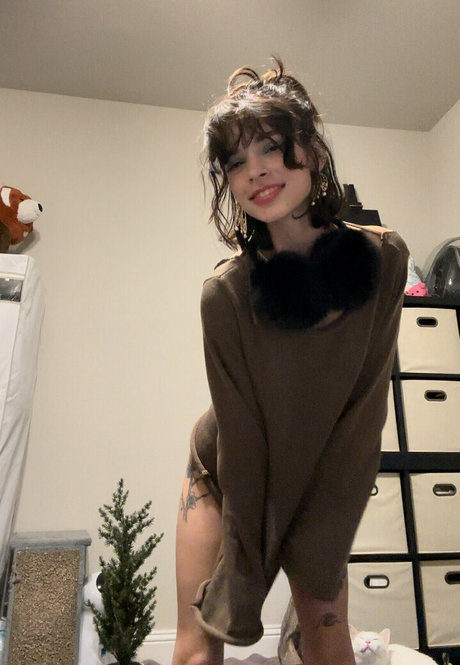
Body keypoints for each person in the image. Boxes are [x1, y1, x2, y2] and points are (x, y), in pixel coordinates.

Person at [172, 59, 409, 665]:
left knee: (326, 626)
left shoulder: (384, 259)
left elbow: (363, 414)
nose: (254, 170)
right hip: (225, 472)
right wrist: (243, 587)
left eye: (271, 148)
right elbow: (243, 443)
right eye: (235, 162)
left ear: (313, 152)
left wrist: (317, 555)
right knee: (200, 643)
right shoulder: (225, 295)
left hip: (321, 464)